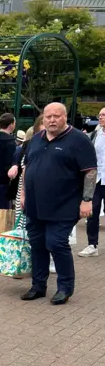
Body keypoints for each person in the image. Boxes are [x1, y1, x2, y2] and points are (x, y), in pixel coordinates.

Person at [20, 103, 97, 305]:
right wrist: (23, 194)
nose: (52, 120)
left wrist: (87, 200)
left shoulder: (79, 140)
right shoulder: (36, 139)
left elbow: (90, 171)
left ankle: (65, 288)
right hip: (35, 205)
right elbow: (27, 167)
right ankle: (38, 286)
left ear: (65, 117)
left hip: (64, 205)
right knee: (37, 244)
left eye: (56, 116)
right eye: (48, 116)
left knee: (55, 243)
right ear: (43, 118)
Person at [79, 107, 105, 257]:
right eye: (100, 115)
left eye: (103, 115)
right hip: (96, 179)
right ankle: (92, 244)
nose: (100, 117)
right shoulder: (95, 135)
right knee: (92, 212)